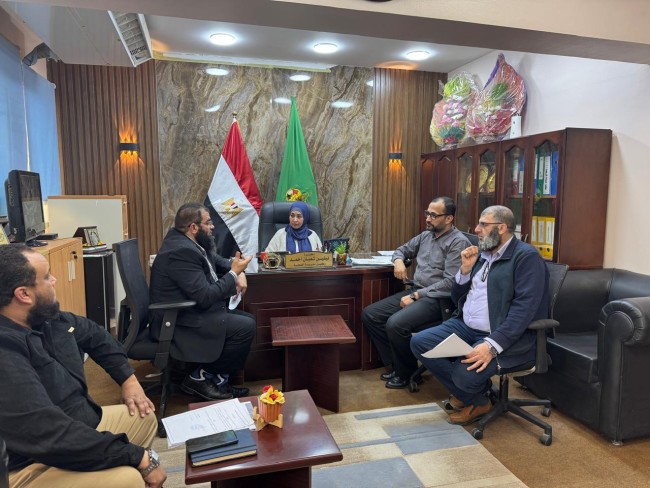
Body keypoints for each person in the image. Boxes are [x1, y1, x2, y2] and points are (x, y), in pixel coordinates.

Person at [0, 245, 166, 488]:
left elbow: (96, 335)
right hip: (27, 463)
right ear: (24, 294)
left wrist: (129, 380)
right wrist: (136, 457)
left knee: (143, 416)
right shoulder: (6, 352)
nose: (54, 280)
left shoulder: (42, 319)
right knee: (127, 479)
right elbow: (49, 434)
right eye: (46, 276)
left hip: (73, 429)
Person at [410, 205, 549, 425]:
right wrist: (464, 271)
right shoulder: (483, 253)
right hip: (465, 326)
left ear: (501, 228)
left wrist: (491, 346)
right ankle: (477, 397)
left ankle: (476, 399)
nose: (476, 229)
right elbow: (456, 297)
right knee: (420, 342)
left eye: (483, 225)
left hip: (502, 335)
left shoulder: (526, 257)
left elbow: (524, 310)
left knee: (464, 374)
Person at [149, 203, 256, 401]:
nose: (212, 227)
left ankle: (217, 381)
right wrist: (234, 274)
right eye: (208, 223)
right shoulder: (181, 252)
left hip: (188, 312)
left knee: (247, 319)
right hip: (177, 321)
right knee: (245, 327)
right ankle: (201, 377)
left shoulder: (188, 242)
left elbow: (215, 260)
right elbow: (205, 296)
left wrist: (237, 271)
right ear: (194, 227)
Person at [362, 196, 471, 389]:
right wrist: (398, 261)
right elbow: (401, 250)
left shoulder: (458, 242)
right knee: (371, 314)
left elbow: (450, 283)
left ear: (449, 218)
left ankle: (407, 373)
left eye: (433, 215)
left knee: (396, 324)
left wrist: (416, 296)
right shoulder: (426, 236)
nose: (428, 218)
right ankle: (396, 365)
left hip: (438, 299)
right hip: (416, 290)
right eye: (427, 213)